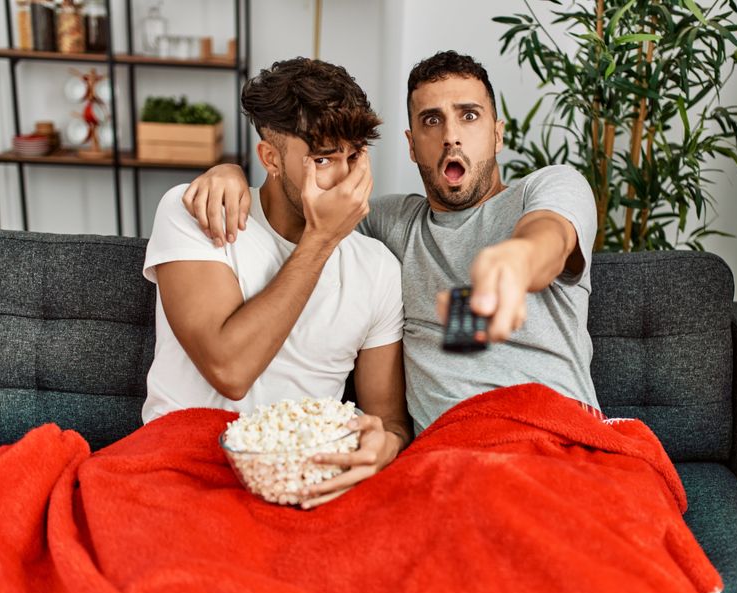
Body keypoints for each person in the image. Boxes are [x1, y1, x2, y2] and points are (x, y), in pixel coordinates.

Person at [184, 50, 599, 437]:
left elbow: (550, 236)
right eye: (432, 120)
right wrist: (231, 175)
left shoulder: (547, 188)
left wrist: (517, 262)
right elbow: (304, 215)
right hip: (450, 450)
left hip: (559, 435)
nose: (451, 136)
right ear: (412, 145)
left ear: (497, 134)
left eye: (469, 116)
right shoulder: (390, 223)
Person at [143, 58, 411, 509]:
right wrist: (321, 240)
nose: (344, 181)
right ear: (270, 158)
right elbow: (230, 370)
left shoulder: (378, 268)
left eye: (353, 157)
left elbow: (389, 419)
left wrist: (386, 444)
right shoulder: (197, 214)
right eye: (323, 159)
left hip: (303, 482)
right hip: (183, 470)